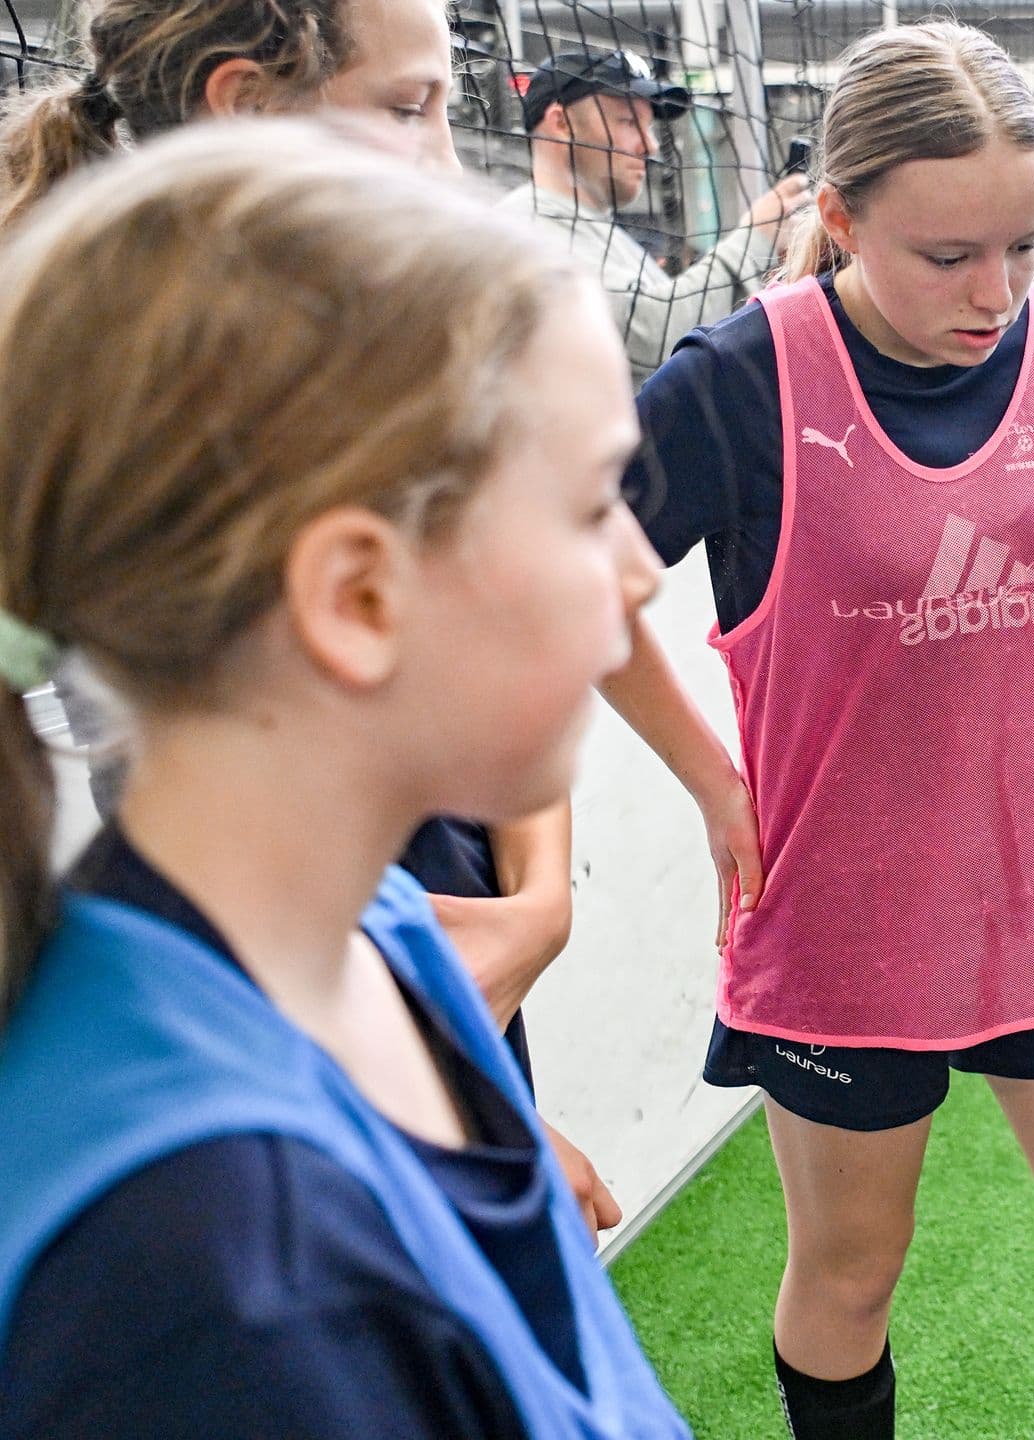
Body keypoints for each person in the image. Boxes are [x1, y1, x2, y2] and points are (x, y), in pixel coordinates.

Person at [0, 122, 684, 1439]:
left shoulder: (383, 939)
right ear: (358, 594)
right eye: (596, 501)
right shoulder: (207, 1277)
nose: (642, 569)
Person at [602, 23, 1034, 1438]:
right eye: (948, 257)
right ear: (843, 216)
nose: (997, 292)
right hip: (840, 915)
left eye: (1026, 247)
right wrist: (710, 779)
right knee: (852, 1275)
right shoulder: (739, 381)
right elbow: (573, 582)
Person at [0, 0, 610, 1223]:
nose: (449, 165)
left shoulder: (377, 358)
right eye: (407, 109)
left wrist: (535, 909)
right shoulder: (168, 436)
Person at [505, 49, 808, 384]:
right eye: (629, 122)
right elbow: (656, 334)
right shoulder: (521, 229)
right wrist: (755, 236)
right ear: (561, 123)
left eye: (648, 126)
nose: (649, 145)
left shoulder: (598, 233)